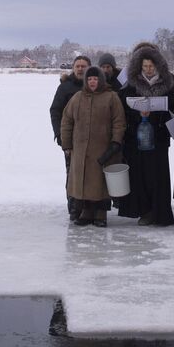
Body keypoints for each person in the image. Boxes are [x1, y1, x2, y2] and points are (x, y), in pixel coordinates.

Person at [118, 42, 174, 226]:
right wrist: (138, 113)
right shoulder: (131, 81)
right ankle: (145, 211)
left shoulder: (169, 80)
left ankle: (160, 213)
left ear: (158, 64)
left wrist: (163, 109)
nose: (148, 69)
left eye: (151, 66)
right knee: (141, 175)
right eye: (145, 66)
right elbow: (123, 104)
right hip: (138, 135)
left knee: (159, 175)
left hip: (159, 135)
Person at [60, 66, 126, 227]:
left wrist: (116, 142)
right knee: (83, 182)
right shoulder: (77, 97)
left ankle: (101, 213)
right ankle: (86, 211)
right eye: (89, 79)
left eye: (95, 79)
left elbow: (119, 122)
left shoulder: (111, 97)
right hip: (80, 151)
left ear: (101, 80)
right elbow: (66, 121)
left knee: (100, 183)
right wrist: (67, 144)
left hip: (103, 149)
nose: (92, 82)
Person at [50, 55, 90, 220]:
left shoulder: (95, 85)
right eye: (77, 66)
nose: (80, 69)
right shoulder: (65, 88)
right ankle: (74, 208)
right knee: (72, 174)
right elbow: (55, 111)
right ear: (73, 68)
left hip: (94, 141)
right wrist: (60, 135)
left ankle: (91, 208)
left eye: (83, 66)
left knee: (92, 174)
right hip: (72, 141)